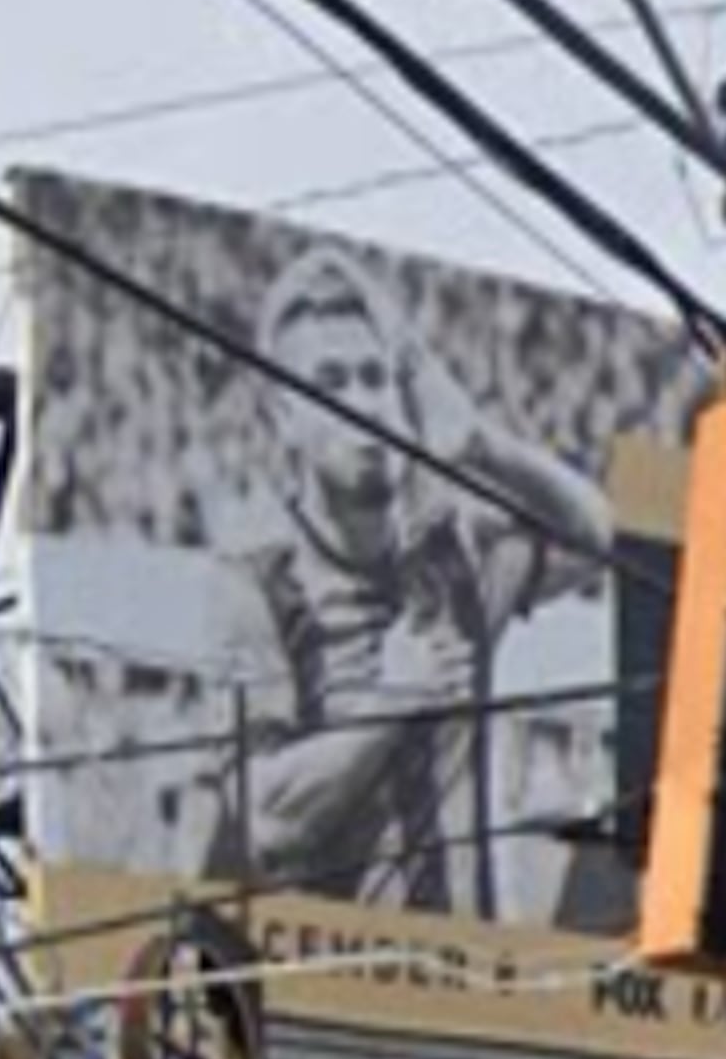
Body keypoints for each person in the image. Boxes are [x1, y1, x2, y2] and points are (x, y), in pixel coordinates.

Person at [205, 245, 615, 922]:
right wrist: (392, 698)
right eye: (330, 382)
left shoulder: (455, 558)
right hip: (334, 979)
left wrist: (481, 442)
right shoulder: (259, 586)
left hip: (473, 974)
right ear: (285, 419)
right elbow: (269, 827)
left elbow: (597, 539)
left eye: (375, 377)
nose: (361, 403)